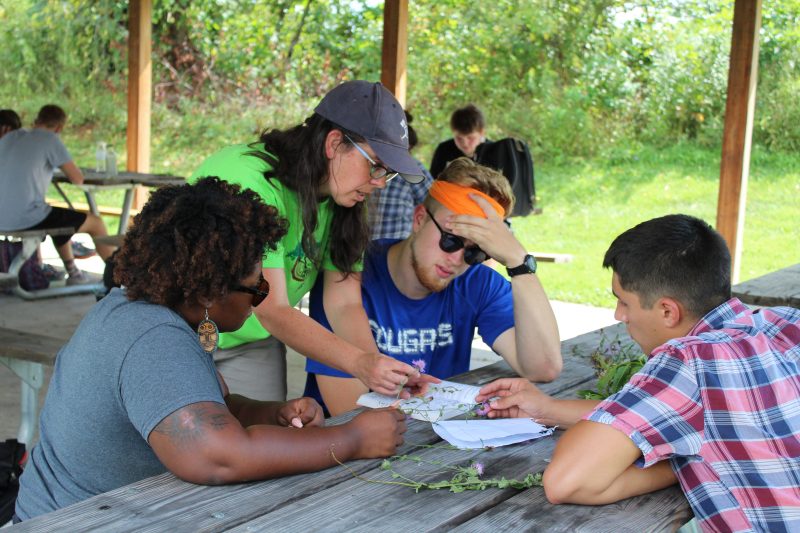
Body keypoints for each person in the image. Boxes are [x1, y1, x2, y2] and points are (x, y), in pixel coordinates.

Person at [13, 178, 407, 523]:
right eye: (256, 288)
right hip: (70, 522)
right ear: (205, 290)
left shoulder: (144, 309)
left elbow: (202, 407)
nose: (260, 298)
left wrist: (272, 413)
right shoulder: (152, 339)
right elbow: (218, 456)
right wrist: (353, 439)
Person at [476, 214, 800, 533]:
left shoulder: (687, 359)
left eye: (624, 302)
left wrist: (678, 456)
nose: (619, 316)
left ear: (667, 311)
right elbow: (695, 414)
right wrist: (547, 409)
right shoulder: (785, 324)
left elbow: (567, 481)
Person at [190, 80, 436, 403]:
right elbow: (271, 307)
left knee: (263, 442)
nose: (379, 184)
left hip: (249, 341)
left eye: (387, 174)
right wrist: (360, 364)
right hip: (178, 329)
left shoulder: (342, 203)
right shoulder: (250, 181)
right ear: (334, 143)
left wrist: (383, 372)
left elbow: (344, 303)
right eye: (375, 166)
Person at [306, 157, 562, 415]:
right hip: (353, 446)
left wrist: (519, 263)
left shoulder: (476, 282)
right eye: (451, 240)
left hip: (436, 436)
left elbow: (543, 367)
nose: (457, 259)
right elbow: (352, 414)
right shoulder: (346, 278)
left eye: (476, 252)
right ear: (419, 219)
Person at [0, 104, 113, 285]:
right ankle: (117, 277)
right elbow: (77, 178)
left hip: (3, 216)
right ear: (59, 128)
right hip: (26, 217)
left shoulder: (11, 137)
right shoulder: (50, 139)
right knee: (96, 223)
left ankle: (73, 272)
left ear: (36, 121)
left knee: (61, 217)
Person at [368, 111, 434, 240]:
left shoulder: (414, 169)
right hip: (361, 245)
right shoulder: (368, 161)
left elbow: (432, 204)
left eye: (407, 151)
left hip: (397, 245)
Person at [429, 104, 489, 179]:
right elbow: (433, 180)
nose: (465, 144)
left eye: (470, 138)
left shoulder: (494, 152)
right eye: (459, 138)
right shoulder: (444, 150)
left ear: (482, 132)